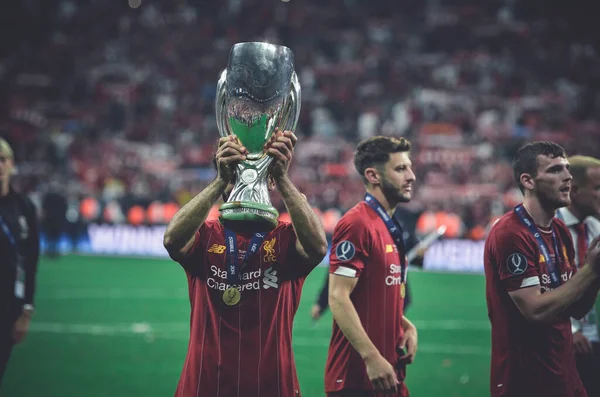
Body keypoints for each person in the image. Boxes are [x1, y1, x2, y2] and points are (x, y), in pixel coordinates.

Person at [163, 130, 328, 397]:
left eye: (253, 170)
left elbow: (319, 247)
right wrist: (220, 180)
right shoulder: (205, 235)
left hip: (271, 389)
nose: (245, 177)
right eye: (237, 169)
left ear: (269, 180)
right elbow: (171, 240)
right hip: (206, 388)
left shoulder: (284, 237)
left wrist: (282, 177)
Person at [484, 141, 600, 397]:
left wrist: (597, 274)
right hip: (524, 381)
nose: (568, 177)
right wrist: (590, 271)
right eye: (555, 170)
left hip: (564, 375)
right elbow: (535, 311)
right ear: (528, 181)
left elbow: (576, 308)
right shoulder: (510, 233)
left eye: (567, 169)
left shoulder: (559, 231)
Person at [324, 136, 418, 397]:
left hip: (389, 375)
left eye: (409, 167)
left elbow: (370, 295)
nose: (411, 176)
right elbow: (338, 296)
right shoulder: (357, 224)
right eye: (400, 169)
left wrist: (405, 324)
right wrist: (372, 358)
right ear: (373, 176)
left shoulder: (388, 224)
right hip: (358, 380)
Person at [310, 205, 422, 322]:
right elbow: (340, 265)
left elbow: (411, 255)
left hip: (397, 295)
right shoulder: (359, 219)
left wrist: (419, 255)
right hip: (368, 297)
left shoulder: (406, 216)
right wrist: (322, 302)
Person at [556, 155, 600, 396]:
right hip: (559, 340)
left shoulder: (594, 228)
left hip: (591, 337)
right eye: (597, 188)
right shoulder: (551, 228)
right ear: (574, 190)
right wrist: (571, 332)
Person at [0, 138, 40, 385]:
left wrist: (26, 310)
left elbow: (31, 260)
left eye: (2, 160)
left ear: (11, 164)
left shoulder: (24, 206)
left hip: (9, 308)